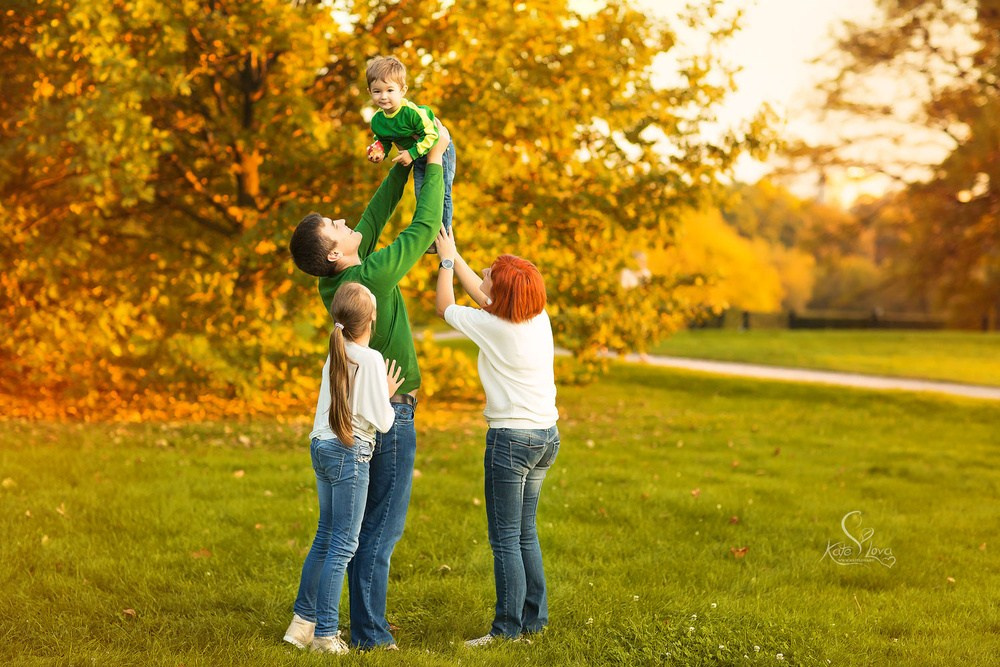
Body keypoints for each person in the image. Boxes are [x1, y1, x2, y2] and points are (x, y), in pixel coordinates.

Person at [288, 120, 451, 650]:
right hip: (391, 411)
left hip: (354, 421)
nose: (344, 220)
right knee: (379, 530)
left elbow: (373, 218)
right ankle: (371, 637)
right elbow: (423, 231)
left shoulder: (338, 280)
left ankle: (314, 622)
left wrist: (400, 171)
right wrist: (433, 161)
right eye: (336, 227)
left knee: (347, 531)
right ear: (336, 253)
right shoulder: (371, 276)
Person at [432, 226, 560, 647]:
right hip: (545, 436)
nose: (483, 275)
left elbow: (445, 305)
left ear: (498, 297)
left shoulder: (495, 327)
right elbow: (487, 297)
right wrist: (453, 250)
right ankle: (533, 623)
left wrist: (447, 264)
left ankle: (506, 631)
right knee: (525, 532)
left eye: (489, 274)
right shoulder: (535, 316)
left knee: (504, 536)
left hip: (512, 441)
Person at [283, 283, 404, 655]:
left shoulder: (337, 352)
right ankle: (325, 635)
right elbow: (382, 421)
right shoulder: (368, 360)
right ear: (372, 318)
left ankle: (301, 625)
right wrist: (385, 390)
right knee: (343, 545)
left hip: (321, 446)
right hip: (349, 453)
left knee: (326, 536)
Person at [364, 55, 457, 253]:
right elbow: (383, 139)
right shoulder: (378, 121)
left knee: (441, 192)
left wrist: (412, 153)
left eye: (390, 90)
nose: (383, 97)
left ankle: (445, 238)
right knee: (422, 194)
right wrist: (379, 151)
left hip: (439, 149)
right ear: (369, 92)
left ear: (403, 90)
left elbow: (434, 135)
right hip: (416, 155)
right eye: (377, 91)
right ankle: (430, 236)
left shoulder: (413, 113)